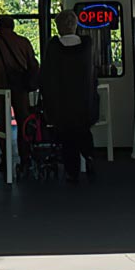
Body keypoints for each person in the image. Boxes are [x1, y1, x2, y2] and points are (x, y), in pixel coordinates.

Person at [41, 10, 97, 184]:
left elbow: (46, 76)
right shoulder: (87, 46)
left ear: (58, 27)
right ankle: (89, 156)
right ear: (76, 25)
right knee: (84, 131)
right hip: (85, 101)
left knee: (67, 138)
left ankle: (72, 172)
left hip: (62, 103)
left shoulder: (54, 48)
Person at [0, 16, 39, 171]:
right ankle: (25, 156)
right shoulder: (23, 42)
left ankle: (5, 157)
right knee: (23, 122)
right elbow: (33, 64)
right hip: (20, 89)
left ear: (0, 27)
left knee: (3, 126)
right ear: (13, 26)